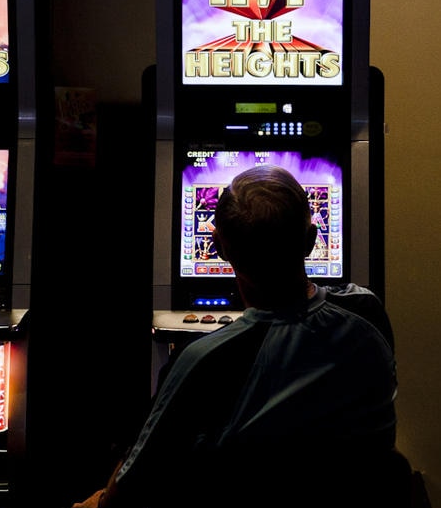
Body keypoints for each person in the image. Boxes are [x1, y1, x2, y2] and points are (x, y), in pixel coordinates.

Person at [72, 166, 408, 508]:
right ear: (312, 239)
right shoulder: (367, 313)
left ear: (216, 245)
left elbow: (131, 488)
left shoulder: (207, 358)